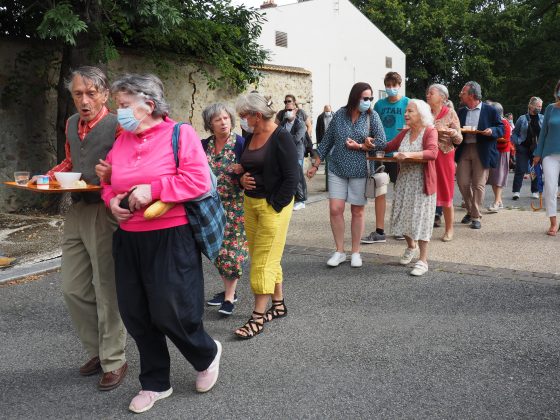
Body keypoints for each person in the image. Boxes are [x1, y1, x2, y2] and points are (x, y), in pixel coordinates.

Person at [102, 73, 221, 413]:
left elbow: (198, 181)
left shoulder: (179, 134)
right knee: (136, 313)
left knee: (172, 309)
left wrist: (153, 190)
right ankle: (155, 382)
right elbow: (110, 182)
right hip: (129, 239)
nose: (118, 111)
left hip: (171, 234)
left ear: (148, 105)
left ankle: (206, 353)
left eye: (124, 105)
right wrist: (111, 200)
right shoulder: (122, 139)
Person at [31, 66, 127, 391]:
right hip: (77, 209)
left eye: (90, 93)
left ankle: (115, 359)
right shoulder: (72, 123)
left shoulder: (117, 125)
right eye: (77, 94)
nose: (84, 100)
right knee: (72, 287)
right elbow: (70, 163)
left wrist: (113, 172)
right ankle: (98, 352)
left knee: (106, 287)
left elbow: (126, 166)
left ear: (104, 94)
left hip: (105, 210)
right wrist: (44, 177)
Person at [234, 93, 299, 339]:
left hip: (273, 207)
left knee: (262, 261)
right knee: (265, 255)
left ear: (257, 115)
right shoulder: (250, 136)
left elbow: (292, 177)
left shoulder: (281, 137)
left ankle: (257, 317)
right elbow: (247, 166)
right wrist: (241, 179)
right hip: (251, 204)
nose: (242, 121)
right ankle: (278, 304)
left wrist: (276, 205)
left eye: (244, 116)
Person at [307, 82, 386, 268]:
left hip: (360, 170)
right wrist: (316, 164)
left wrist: (366, 144)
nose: (368, 101)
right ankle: (339, 251)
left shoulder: (371, 116)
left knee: (357, 211)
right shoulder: (339, 116)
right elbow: (326, 142)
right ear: (355, 97)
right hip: (337, 168)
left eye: (371, 98)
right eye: (365, 98)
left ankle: (356, 252)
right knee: (335, 209)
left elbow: (382, 142)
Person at [201, 103, 248, 316]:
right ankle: (230, 291)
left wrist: (243, 170)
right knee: (218, 252)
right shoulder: (204, 146)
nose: (223, 122)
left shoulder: (240, 144)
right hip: (211, 207)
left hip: (235, 206)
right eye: (218, 119)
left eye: (226, 118)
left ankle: (229, 297)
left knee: (233, 251)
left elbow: (255, 167)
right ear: (210, 123)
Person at [383, 99, 438, 276]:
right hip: (404, 181)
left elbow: (432, 153)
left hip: (422, 183)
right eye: (406, 111)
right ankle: (411, 246)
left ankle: (423, 260)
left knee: (421, 220)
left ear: (421, 114)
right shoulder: (405, 133)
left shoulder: (430, 131)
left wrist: (408, 154)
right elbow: (388, 146)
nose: (406, 114)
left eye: (410, 111)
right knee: (401, 217)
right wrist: (366, 145)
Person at [362, 71, 409, 244]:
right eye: (388, 86)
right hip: (381, 152)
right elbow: (372, 125)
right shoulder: (380, 105)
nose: (391, 89)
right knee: (380, 190)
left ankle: (400, 227)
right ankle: (380, 230)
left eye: (393, 85)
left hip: (400, 153)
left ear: (399, 85)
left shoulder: (407, 102)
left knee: (401, 191)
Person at [455, 81, 504, 229]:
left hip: (482, 149)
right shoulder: (461, 111)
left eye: (463, 92)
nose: (460, 95)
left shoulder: (490, 110)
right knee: (462, 182)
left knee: (478, 184)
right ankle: (470, 210)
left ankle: (476, 216)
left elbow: (501, 128)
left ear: (471, 95)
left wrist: (492, 131)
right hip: (464, 149)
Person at [426, 84, 462, 242]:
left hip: (445, 156)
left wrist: (453, 132)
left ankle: (449, 229)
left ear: (442, 97)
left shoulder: (451, 113)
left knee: (446, 193)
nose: (427, 95)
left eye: (431, 93)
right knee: (425, 192)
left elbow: (459, 139)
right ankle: (424, 228)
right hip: (426, 156)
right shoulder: (423, 112)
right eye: (427, 93)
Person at [533, 80, 560, 236]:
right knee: (550, 187)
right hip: (549, 154)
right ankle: (553, 223)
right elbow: (543, 133)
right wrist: (538, 153)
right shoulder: (550, 108)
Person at [511, 97, 543, 200]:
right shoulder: (522, 118)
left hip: (536, 148)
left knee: (535, 170)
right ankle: (516, 191)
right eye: (538, 106)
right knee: (520, 169)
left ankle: (535, 191)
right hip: (523, 148)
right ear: (531, 106)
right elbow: (514, 133)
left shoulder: (542, 118)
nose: (540, 108)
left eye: (541, 106)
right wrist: (517, 143)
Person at [279, 99, 307, 211]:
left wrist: (283, 139)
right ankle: (293, 198)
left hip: (297, 153)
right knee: (288, 176)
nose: (288, 112)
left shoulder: (301, 124)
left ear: (295, 110)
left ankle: (301, 200)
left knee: (298, 177)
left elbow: (296, 138)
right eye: (286, 110)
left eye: (290, 110)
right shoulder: (282, 123)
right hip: (285, 153)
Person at [486, 101, 512, 213]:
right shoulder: (494, 122)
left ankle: (497, 202)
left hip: (501, 153)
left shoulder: (504, 123)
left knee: (498, 178)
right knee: (493, 178)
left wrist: (491, 138)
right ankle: (499, 201)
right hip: (494, 152)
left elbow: (505, 141)